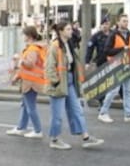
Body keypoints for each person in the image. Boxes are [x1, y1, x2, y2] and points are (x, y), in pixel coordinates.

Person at [45, 22, 104, 150]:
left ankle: (86, 137)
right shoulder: (55, 46)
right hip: (59, 83)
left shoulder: (69, 44)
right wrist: (56, 82)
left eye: (71, 29)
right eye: (68, 29)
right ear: (61, 31)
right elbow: (49, 67)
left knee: (77, 110)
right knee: (57, 114)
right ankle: (54, 139)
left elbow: (73, 62)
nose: (71, 31)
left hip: (69, 81)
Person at [98, 14, 130, 124]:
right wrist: (121, 49)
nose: (126, 23)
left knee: (128, 91)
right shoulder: (113, 35)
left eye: (127, 21)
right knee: (113, 91)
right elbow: (107, 51)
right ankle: (103, 113)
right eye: (123, 21)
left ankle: (128, 115)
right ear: (118, 23)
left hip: (129, 66)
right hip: (117, 66)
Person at [6, 26, 46, 139]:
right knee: (25, 105)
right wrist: (17, 76)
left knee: (30, 107)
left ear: (28, 36)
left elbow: (30, 64)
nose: (22, 37)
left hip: (31, 83)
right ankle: (21, 128)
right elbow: (25, 68)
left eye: (23, 34)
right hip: (30, 81)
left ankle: (38, 130)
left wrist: (20, 59)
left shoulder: (32, 49)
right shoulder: (31, 48)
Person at [85, 18, 113, 106]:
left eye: (107, 24)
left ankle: (124, 101)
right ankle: (102, 102)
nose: (105, 26)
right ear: (101, 25)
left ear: (109, 25)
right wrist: (87, 62)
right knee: (102, 83)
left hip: (113, 61)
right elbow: (90, 49)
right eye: (103, 24)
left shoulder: (114, 34)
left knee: (113, 82)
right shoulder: (96, 36)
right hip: (101, 62)